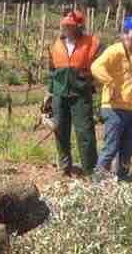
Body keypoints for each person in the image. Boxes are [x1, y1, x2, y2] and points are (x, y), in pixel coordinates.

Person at [89, 14, 132, 181]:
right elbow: (95, 67)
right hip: (115, 108)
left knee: (127, 150)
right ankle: (98, 181)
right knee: (111, 147)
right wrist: (110, 83)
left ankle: (122, 179)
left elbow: (127, 79)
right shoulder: (115, 50)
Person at [43, 10, 100, 176]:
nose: (66, 28)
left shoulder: (92, 43)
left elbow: (100, 66)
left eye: (70, 25)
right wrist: (49, 93)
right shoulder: (55, 45)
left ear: (79, 27)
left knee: (85, 132)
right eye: (65, 25)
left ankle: (90, 170)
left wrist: (91, 80)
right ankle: (64, 167)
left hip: (81, 93)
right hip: (59, 93)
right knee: (60, 130)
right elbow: (52, 72)